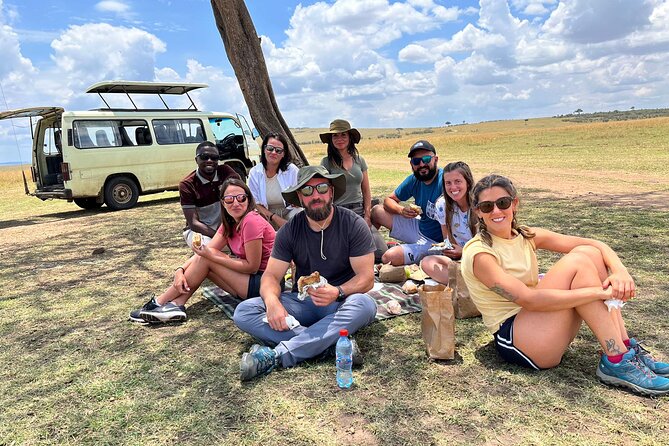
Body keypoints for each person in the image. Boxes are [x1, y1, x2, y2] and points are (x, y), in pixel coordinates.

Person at [461, 174, 669, 396]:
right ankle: (616, 359)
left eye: (502, 203)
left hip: (538, 326)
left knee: (587, 253)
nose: (496, 211)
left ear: (514, 204)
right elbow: (528, 300)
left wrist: (620, 270)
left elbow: (594, 244)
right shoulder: (479, 253)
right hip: (517, 341)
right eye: (486, 206)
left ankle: (623, 349)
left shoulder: (525, 235)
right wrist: (599, 292)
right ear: (478, 212)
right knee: (578, 262)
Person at [232, 166, 377, 381]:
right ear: (299, 197)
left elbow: (366, 278)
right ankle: (329, 346)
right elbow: (271, 276)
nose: (315, 195)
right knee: (244, 312)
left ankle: (277, 354)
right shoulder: (290, 231)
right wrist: (272, 303)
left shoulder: (353, 224)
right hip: (302, 302)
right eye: (307, 191)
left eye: (321, 188)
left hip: (340, 303)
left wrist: (337, 291)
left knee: (365, 305)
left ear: (331, 192)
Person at [130, 179, 276, 323]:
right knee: (205, 261)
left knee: (208, 258)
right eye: (229, 199)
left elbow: (252, 266)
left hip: (264, 285)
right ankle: (176, 305)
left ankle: (159, 302)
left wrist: (212, 256)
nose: (236, 203)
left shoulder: (251, 221)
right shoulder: (230, 222)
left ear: (248, 200)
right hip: (246, 282)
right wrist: (179, 270)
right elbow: (204, 253)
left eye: (241, 198)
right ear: (223, 203)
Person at [319, 119, 387, 260]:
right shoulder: (326, 162)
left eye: (343, 135)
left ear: (350, 137)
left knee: (381, 252)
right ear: (330, 139)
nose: (339, 139)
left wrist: (367, 215)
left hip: (358, 211)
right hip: (338, 212)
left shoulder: (359, 160)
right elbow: (323, 192)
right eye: (335, 136)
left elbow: (366, 191)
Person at [370, 140, 444, 265]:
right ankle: (368, 250)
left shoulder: (446, 180)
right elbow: (388, 200)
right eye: (416, 161)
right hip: (419, 227)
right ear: (411, 164)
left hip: (436, 242)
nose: (421, 164)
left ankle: (430, 253)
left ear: (435, 160)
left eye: (426, 159)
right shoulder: (414, 180)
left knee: (389, 257)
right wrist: (401, 210)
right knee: (377, 211)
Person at [420, 161, 477, 284]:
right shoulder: (442, 205)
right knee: (427, 262)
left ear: (468, 182)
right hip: (460, 261)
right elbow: (448, 239)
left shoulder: (479, 205)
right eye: (448, 183)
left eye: (458, 181)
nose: (453, 188)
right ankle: (467, 284)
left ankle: (467, 283)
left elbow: (489, 244)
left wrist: (464, 251)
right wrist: (450, 250)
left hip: (480, 258)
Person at [179, 141, 240, 247]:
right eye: (204, 157)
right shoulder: (187, 185)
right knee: (207, 250)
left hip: (226, 227)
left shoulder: (226, 173)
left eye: (214, 157)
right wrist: (220, 237)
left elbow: (242, 200)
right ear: (196, 159)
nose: (209, 161)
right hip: (200, 231)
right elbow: (193, 223)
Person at [248, 132, 301, 230]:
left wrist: (297, 201)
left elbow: (300, 195)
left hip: (289, 212)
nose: (273, 153)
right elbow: (255, 203)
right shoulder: (255, 173)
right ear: (264, 149)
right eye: (270, 148)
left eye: (278, 150)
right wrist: (274, 217)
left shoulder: (292, 170)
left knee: (300, 215)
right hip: (265, 215)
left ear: (283, 154)